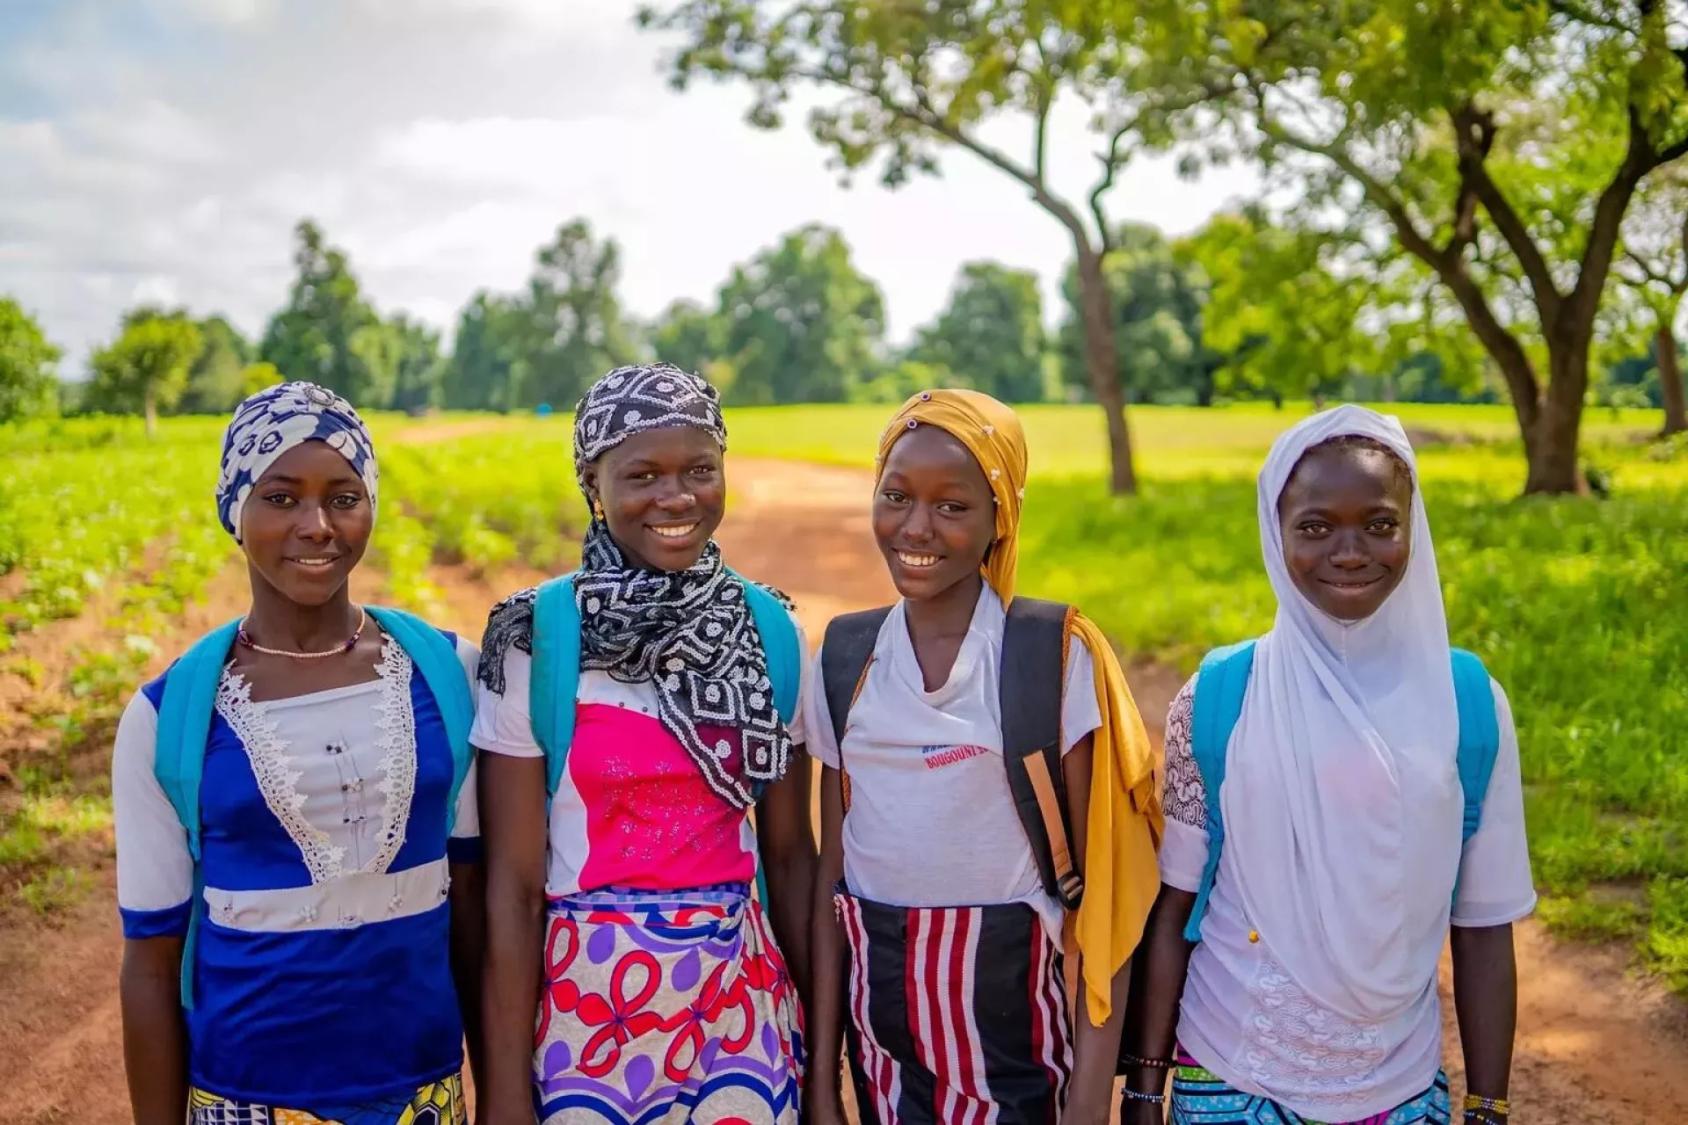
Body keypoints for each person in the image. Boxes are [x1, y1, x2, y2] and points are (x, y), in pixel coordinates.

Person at [1119, 405, 1535, 1125]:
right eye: (1315, 527)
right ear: (1275, 536)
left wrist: (1488, 1105)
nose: (1350, 550)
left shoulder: (1468, 703)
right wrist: (1146, 1085)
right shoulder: (1221, 696)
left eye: (1379, 523)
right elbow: (1175, 906)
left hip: (1397, 1088)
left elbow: (1483, 924)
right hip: (1227, 1073)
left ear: (1414, 529)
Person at [114, 382, 483, 1125]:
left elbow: (476, 915)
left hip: (425, 1094)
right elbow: (151, 964)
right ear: (235, 511)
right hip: (244, 1097)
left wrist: (505, 1090)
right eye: (281, 498)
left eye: (344, 496)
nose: (317, 525)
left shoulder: (451, 676)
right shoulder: (170, 716)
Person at [803, 389, 1163, 1125]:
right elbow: (831, 882)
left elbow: (1107, 891)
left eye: (953, 506)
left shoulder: (1050, 656)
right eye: (895, 495)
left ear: (1002, 515)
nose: (916, 526)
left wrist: (1090, 1097)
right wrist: (821, 1083)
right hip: (886, 1045)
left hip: (1025, 1043)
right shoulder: (844, 659)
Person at [474, 363, 816, 1125]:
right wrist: (502, 1090)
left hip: (740, 1007)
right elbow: (515, 886)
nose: (676, 498)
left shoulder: (768, 633)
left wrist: (822, 1073)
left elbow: (792, 859)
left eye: (700, 469)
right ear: (594, 486)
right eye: (643, 475)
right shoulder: (538, 640)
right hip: (586, 1012)